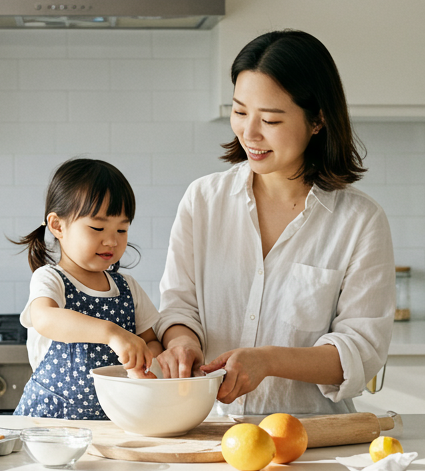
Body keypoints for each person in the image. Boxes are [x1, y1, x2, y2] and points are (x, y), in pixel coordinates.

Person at [153, 29, 394, 416]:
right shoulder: (203, 200)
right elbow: (179, 306)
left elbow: (362, 350)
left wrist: (269, 361)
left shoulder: (359, 222)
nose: (249, 133)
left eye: (270, 119)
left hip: (309, 442)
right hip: (208, 431)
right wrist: (183, 343)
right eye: (239, 111)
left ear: (317, 120)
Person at [12, 158, 162, 420]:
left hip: (113, 421)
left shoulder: (128, 288)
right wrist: (112, 333)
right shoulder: (50, 279)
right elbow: (45, 319)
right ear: (58, 225)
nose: (111, 240)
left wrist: (147, 363)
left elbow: (150, 341)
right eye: (97, 227)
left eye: (122, 229)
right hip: (50, 425)